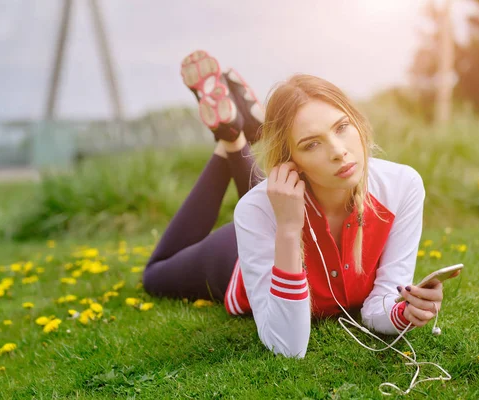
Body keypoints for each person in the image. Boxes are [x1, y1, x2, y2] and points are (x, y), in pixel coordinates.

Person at [143, 50, 454, 358]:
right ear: (293, 162)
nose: (338, 151)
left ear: (358, 123)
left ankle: (236, 134)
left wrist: (404, 312)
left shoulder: (402, 187)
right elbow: (288, 346)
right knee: (154, 276)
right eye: (312, 144)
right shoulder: (257, 213)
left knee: (265, 200)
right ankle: (232, 140)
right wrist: (289, 229)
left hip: (278, 206)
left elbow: (384, 299)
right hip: (239, 257)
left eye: (342, 127)